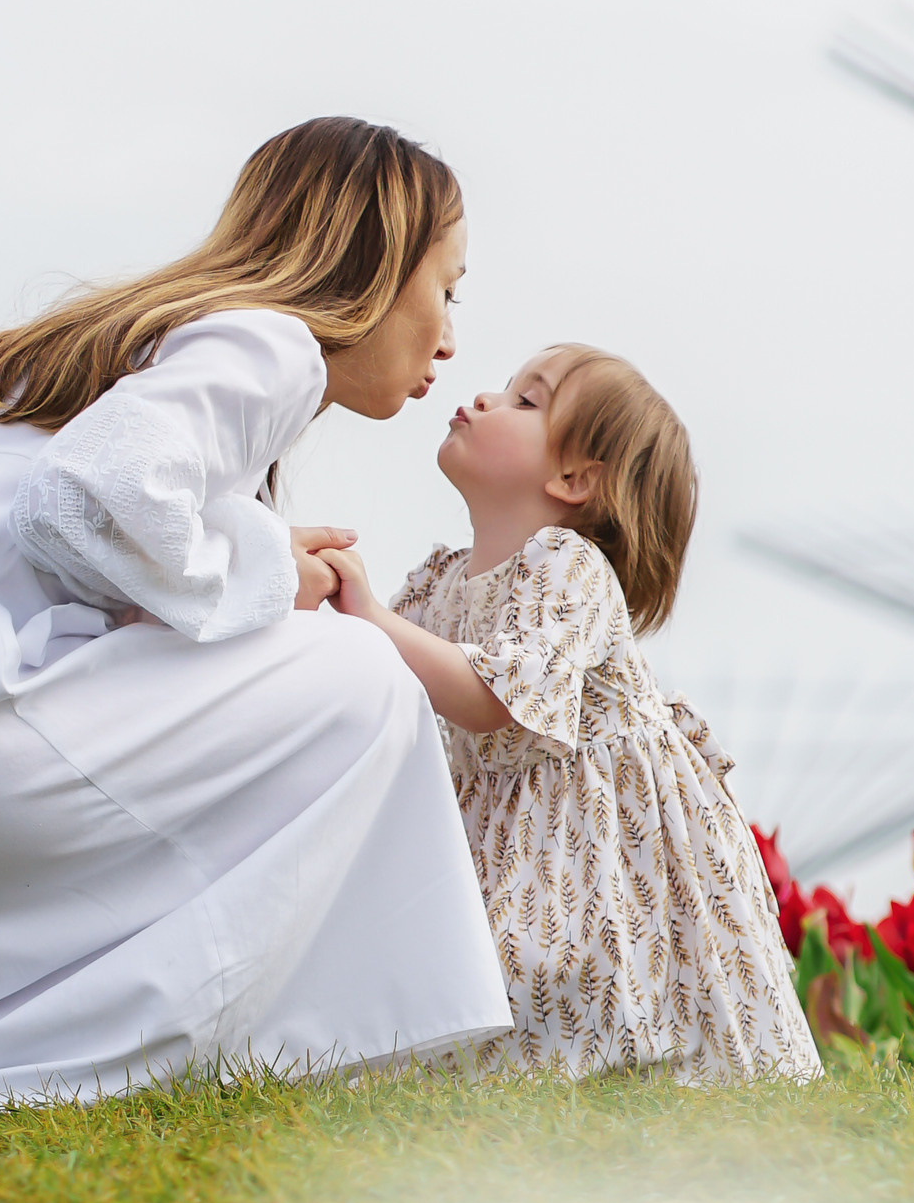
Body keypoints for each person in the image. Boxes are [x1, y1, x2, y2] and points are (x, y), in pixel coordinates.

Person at [0, 121, 513, 1107]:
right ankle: (155, 1057)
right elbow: (82, 501)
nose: (449, 338)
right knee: (364, 676)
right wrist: (267, 567)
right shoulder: (270, 344)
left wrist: (247, 548)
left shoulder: (120, 349)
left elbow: (63, 527)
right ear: (374, 267)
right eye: (446, 290)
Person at [322, 346, 820, 1081]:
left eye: (526, 401)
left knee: (582, 972)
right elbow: (376, 671)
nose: (486, 398)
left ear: (575, 479)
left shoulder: (568, 564)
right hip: (505, 824)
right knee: (477, 975)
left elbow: (494, 699)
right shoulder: (442, 580)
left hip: (594, 835)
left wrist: (367, 615)